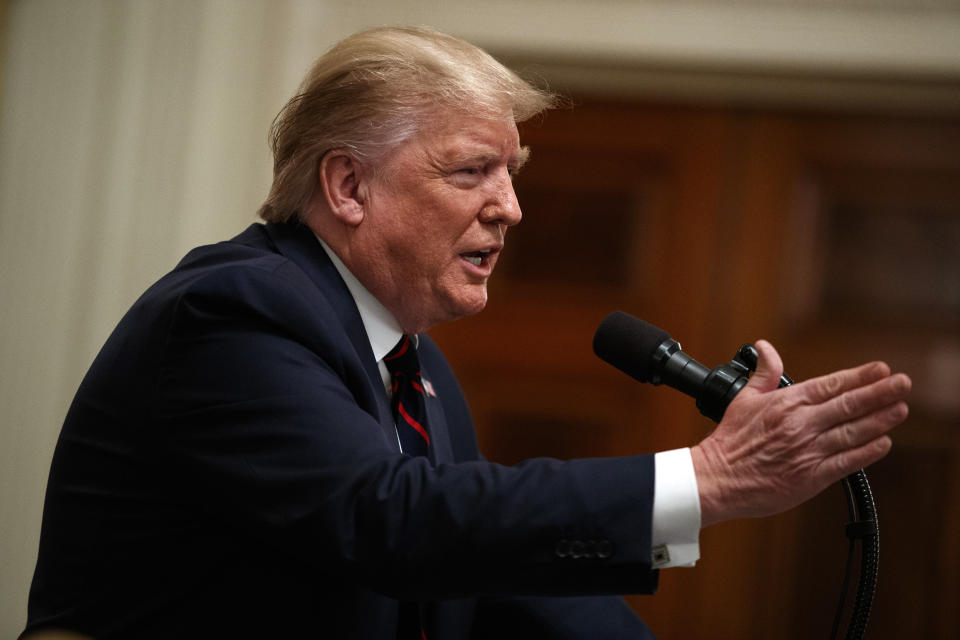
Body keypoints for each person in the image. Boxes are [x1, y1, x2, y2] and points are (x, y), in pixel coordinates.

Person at [22, 27, 911, 639]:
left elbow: (484, 567)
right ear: (348, 187)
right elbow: (392, 522)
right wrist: (706, 477)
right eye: (473, 171)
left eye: (512, 173)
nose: (511, 207)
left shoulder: (415, 367)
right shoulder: (236, 313)